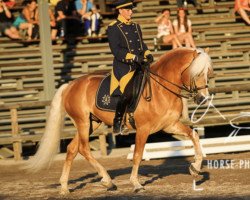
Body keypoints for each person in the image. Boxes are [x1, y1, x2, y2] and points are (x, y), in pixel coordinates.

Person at [107, 0, 154, 134]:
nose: (131, 12)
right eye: (128, 10)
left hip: (140, 64)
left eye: (131, 9)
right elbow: (116, 51)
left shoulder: (135, 26)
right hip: (124, 67)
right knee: (127, 93)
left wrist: (147, 53)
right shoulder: (113, 27)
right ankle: (118, 123)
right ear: (120, 11)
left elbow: (141, 44)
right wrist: (133, 57)